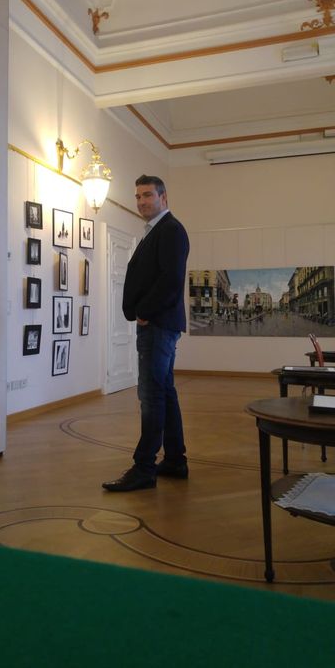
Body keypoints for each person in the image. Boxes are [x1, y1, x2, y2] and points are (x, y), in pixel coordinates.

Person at [102, 174, 190, 492]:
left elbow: (170, 280)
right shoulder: (156, 230)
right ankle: (175, 461)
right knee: (164, 392)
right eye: (138, 196)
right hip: (159, 324)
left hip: (157, 325)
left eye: (148, 195)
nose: (141, 201)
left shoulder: (171, 230)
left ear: (163, 197)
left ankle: (144, 468)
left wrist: (144, 312)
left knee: (151, 396)